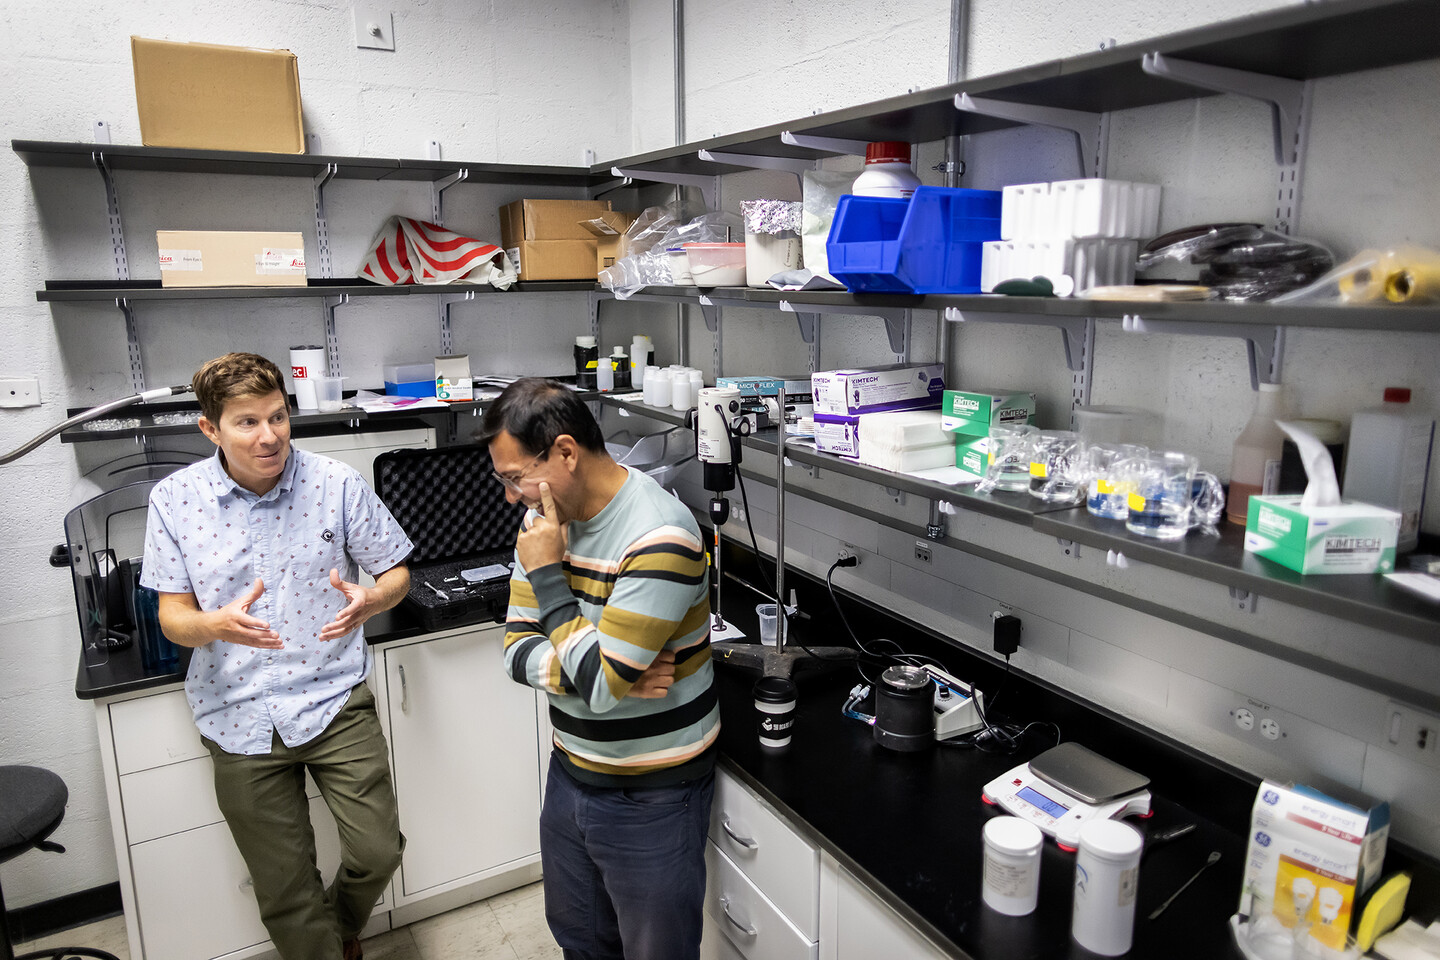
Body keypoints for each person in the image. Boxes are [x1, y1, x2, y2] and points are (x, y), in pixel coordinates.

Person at [141, 352, 413, 960]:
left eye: (278, 417)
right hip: (235, 711)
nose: (269, 436)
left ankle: (338, 929)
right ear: (210, 428)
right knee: (284, 886)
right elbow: (173, 619)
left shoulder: (335, 483)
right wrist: (213, 624)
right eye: (247, 422)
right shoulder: (175, 501)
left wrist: (372, 600)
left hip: (333, 697)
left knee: (378, 850)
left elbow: (397, 572)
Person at [483, 378, 718, 960]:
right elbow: (515, 649)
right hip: (571, 774)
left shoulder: (661, 535)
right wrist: (604, 676)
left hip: (654, 796)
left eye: (516, 477)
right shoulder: (544, 520)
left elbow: (597, 680)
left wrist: (547, 578)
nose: (513, 497)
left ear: (565, 452)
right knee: (582, 944)